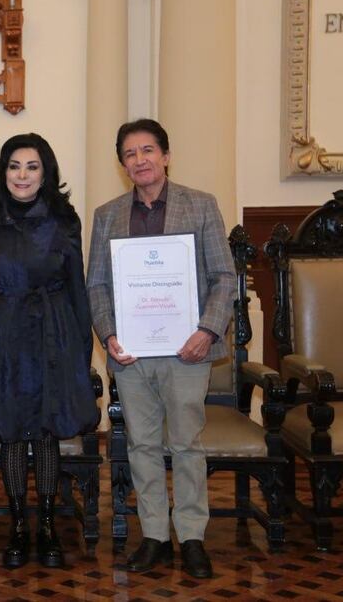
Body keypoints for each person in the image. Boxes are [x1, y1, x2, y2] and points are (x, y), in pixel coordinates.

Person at [86, 118, 234, 579]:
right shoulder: (107, 214)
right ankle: (153, 535)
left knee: (187, 444)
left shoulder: (201, 206)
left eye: (148, 150)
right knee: (142, 444)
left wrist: (207, 332)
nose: (140, 160)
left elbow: (224, 278)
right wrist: (109, 335)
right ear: (122, 164)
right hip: (131, 355)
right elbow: (97, 286)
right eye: (130, 154)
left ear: (166, 156)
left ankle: (191, 536)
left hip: (187, 352)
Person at [0, 133, 99, 569]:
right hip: (2, 336)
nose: (22, 175)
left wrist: (80, 348)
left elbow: (77, 285)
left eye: (31, 166)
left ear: (45, 171)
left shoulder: (64, 219)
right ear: (3, 170)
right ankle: (18, 524)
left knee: (49, 431)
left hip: (53, 335)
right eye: (14, 166)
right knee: (13, 431)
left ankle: (50, 527)